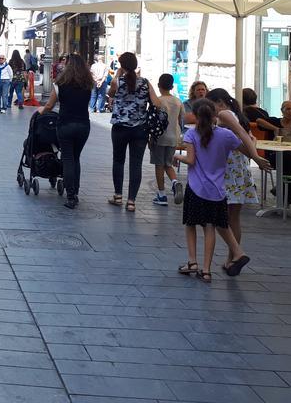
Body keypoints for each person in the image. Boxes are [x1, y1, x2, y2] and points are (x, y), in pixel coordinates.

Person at [175, 98, 252, 283]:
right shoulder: (225, 135)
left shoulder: (192, 134)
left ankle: (192, 262)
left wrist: (176, 155)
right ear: (214, 114)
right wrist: (254, 151)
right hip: (217, 190)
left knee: (191, 225)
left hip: (196, 187)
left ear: (195, 115)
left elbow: (191, 160)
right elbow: (244, 148)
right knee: (210, 227)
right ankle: (207, 270)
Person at [206, 88, 270, 263]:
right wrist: (252, 154)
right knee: (233, 217)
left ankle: (237, 253)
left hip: (229, 169)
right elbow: (250, 138)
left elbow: (242, 135)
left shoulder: (225, 114)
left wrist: (256, 157)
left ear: (219, 102)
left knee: (219, 215)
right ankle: (231, 260)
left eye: (211, 105)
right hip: (239, 168)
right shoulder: (237, 114)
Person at [107, 51, 161, 212]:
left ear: (122, 65)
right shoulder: (145, 82)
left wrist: (118, 74)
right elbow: (157, 103)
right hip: (140, 129)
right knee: (136, 164)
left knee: (118, 161)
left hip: (120, 128)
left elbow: (110, 94)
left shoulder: (118, 81)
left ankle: (118, 196)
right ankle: (131, 202)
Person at [39, 53, 92, 209]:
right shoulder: (88, 84)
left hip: (65, 125)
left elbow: (49, 106)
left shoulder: (60, 84)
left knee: (68, 159)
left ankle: (70, 197)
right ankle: (75, 192)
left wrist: (40, 111)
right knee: (76, 158)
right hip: (83, 125)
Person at [253, 98, 291, 206]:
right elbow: (258, 121)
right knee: (286, 159)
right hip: (275, 157)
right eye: (287, 109)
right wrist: (275, 129)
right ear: (282, 110)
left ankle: (280, 190)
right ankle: (286, 197)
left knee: (288, 157)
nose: (290, 112)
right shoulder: (274, 121)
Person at [150, 73, 185, 206]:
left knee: (159, 165)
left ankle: (162, 195)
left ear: (159, 85)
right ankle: (175, 182)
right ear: (171, 86)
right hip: (173, 136)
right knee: (168, 164)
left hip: (160, 137)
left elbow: (153, 121)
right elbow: (182, 118)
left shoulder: (158, 100)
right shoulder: (178, 101)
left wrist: (151, 138)